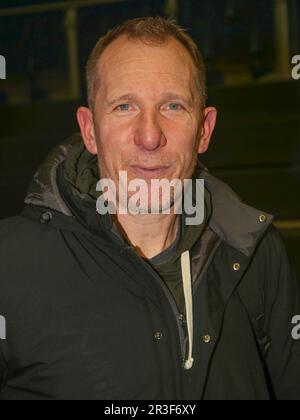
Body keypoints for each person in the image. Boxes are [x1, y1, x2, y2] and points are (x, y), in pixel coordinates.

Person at [0, 16, 299, 400]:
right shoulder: (10, 264)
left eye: (172, 106)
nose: (149, 135)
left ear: (204, 130)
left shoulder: (256, 252)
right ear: (90, 130)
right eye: (125, 106)